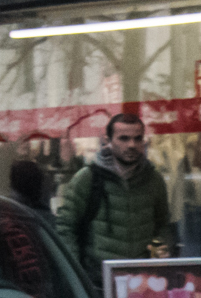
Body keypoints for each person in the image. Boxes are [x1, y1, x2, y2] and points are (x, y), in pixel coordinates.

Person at [54, 113, 175, 282]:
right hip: (99, 281)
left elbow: (163, 225)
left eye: (137, 138)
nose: (132, 145)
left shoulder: (153, 180)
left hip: (143, 281)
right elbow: (66, 227)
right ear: (108, 141)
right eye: (123, 139)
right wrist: (76, 276)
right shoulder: (88, 178)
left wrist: (162, 254)